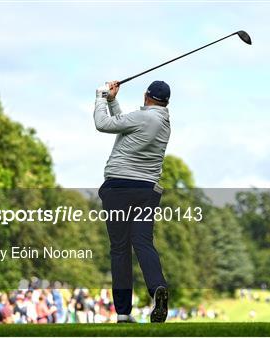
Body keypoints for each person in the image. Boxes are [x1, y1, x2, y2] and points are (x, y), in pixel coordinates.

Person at [94, 80, 171, 323]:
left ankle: (123, 312)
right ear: (166, 101)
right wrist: (113, 101)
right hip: (147, 190)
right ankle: (157, 287)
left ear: (146, 96)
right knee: (142, 241)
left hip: (119, 188)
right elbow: (126, 125)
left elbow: (103, 124)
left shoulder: (144, 117)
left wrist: (100, 96)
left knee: (119, 248)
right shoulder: (162, 121)